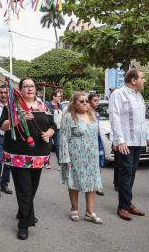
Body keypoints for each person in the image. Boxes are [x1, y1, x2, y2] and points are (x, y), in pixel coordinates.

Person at [0, 78, 56, 240]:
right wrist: (19, 118)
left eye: (32, 86)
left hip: (39, 155)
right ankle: (24, 224)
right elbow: (2, 126)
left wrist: (48, 134)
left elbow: (53, 126)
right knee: (24, 189)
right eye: (26, 86)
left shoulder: (43, 105)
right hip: (18, 155)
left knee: (32, 188)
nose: (30, 89)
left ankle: (23, 211)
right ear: (20, 89)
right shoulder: (12, 105)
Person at [109, 68, 149, 221]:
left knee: (132, 173)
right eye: (143, 77)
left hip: (138, 141)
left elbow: (142, 119)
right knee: (126, 173)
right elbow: (114, 117)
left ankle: (128, 203)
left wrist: (148, 136)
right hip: (126, 142)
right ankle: (123, 206)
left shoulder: (139, 96)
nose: (145, 80)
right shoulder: (118, 94)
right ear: (133, 80)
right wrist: (120, 140)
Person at [60, 92, 103, 223]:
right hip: (75, 156)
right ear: (74, 104)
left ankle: (90, 212)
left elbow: (96, 136)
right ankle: (74, 209)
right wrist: (65, 158)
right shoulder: (68, 117)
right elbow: (63, 138)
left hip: (92, 156)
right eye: (81, 101)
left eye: (86, 101)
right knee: (74, 181)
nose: (85, 103)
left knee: (92, 182)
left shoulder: (94, 115)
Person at [88, 93, 105, 196]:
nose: (97, 102)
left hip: (97, 139)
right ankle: (90, 184)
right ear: (89, 101)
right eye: (95, 100)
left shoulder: (96, 113)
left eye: (98, 101)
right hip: (88, 140)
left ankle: (97, 185)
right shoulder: (85, 112)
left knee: (98, 164)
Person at [45, 90, 64, 169]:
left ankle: (60, 164)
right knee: (48, 146)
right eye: (59, 96)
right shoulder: (47, 105)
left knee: (58, 146)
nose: (60, 97)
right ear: (54, 96)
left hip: (58, 129)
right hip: (49, 128)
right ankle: (46, 163)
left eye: (60, 96)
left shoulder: (60, 105)